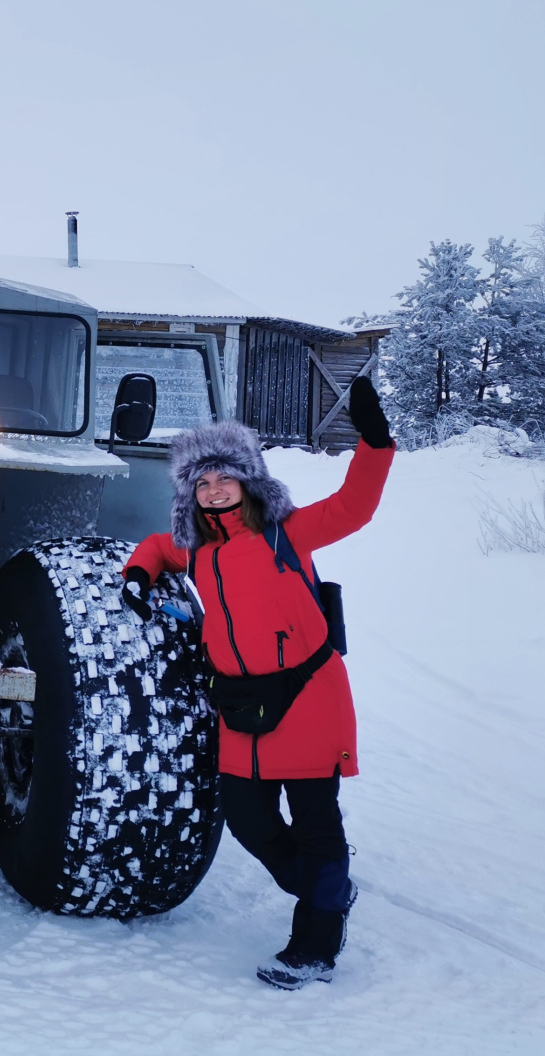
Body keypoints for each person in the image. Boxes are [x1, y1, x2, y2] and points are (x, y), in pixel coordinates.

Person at [120, 377, 395, 989]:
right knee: (247, 819)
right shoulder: (196, 550)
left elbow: (354, 507)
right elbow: (158, 548)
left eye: (225, 479)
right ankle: (327, 887)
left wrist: (373, 442)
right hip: (240, 707)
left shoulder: (284, 534)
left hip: (306, 698)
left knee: (317, 821)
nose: (215, 491)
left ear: (247, 482)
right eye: (203, 482)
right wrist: (138, 574)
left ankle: (315, 945)